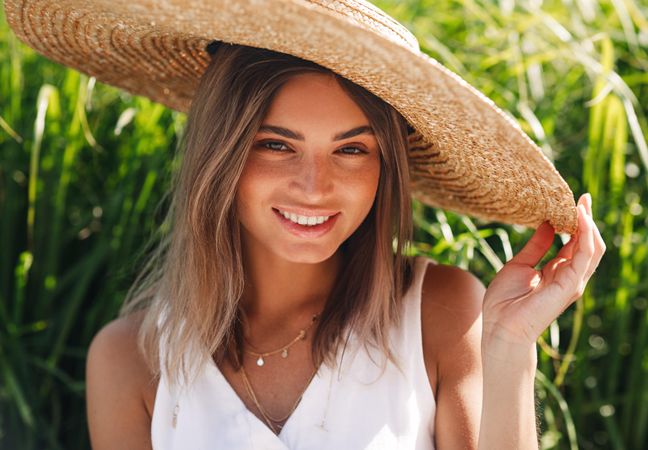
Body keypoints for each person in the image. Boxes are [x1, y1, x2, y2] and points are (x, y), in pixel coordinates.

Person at [4, 1, 605, 449]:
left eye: (351, 150)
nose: (315, 187)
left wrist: (508, 349)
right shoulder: (130, 360)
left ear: (384, 168)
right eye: (276, 145)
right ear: (221, 155)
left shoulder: (440, 312)